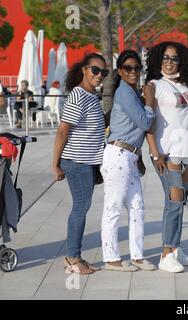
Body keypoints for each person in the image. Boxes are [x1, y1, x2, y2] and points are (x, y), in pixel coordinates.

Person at [52, 53, 109, 275]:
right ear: (84, 70)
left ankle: (74, 256)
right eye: (95, 70)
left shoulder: (91, 95)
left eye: (103, 72)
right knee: (80, 208)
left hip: (88, 162)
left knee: (82, 207)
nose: (99, 75)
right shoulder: (78, 96)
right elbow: (62, 131)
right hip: (77, 162)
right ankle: (72, 258)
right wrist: (55, 165)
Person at [101, 50, 157, 272]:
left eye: (137, 68)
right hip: (118, 155)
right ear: (119, 71)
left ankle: (137, 255)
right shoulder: (124, 92)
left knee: (137, 207)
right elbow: (144, 123)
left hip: (130, 156)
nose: (133, 72)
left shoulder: (132, 92)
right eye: (128, 68)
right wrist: (150, 101)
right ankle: (111, 257)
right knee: (113, 207)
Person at [145, 42, 188, 273]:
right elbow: (148, 121)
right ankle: (166, 254)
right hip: (167, 152)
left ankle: (175, 249)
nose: (169, 61)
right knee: (174, 202)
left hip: (187, 151)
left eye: (174, 58)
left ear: (181, 61)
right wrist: (154, 152)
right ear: (158, 60)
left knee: (179, 201)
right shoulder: (154, 85)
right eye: (165, 58)